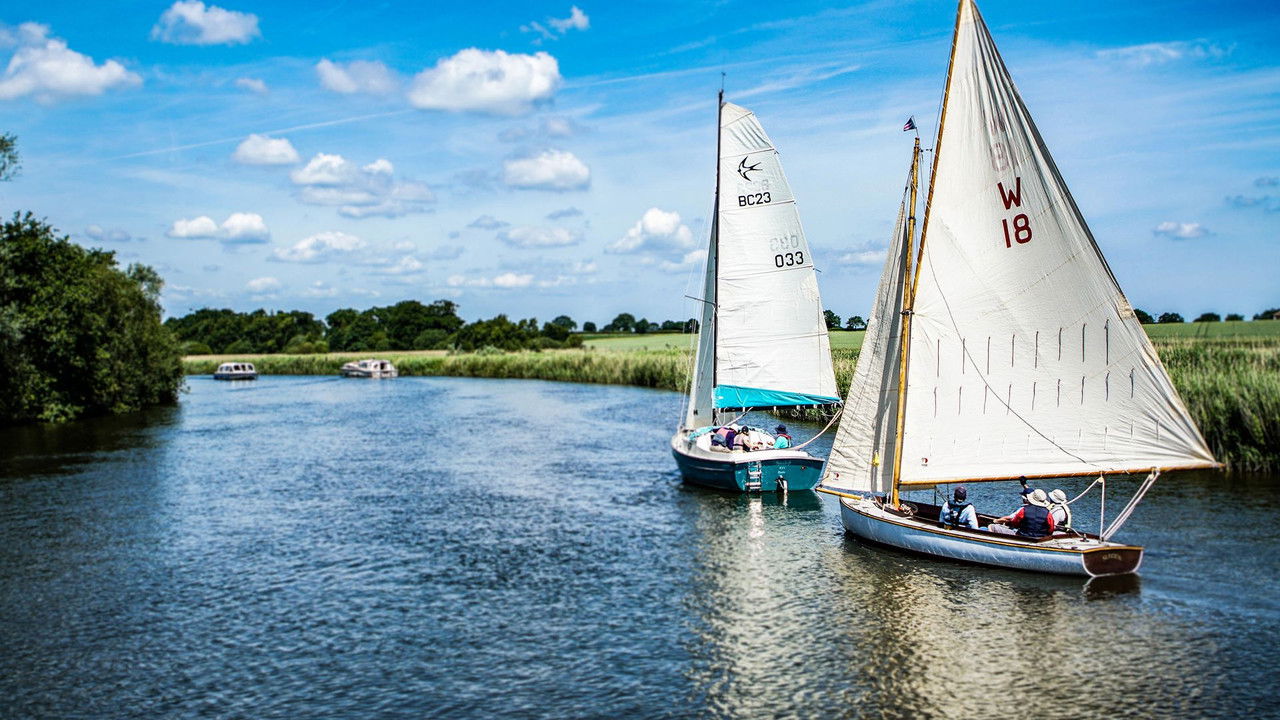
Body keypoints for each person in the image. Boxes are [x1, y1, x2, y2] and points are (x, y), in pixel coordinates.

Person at [989, 488, 1055, 538]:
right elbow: (1051, 529)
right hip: (1041, 538)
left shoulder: (1024, 510)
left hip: (1022, 537)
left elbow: (1015, 523)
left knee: (992, 526)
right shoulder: (1048, 513)